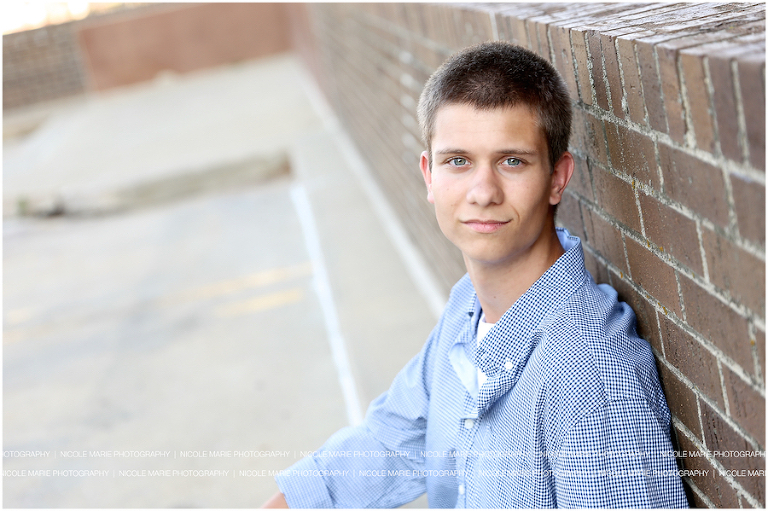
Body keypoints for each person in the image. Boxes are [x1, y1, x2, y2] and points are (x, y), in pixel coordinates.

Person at [263, 41, 688, 508]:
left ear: (556, 178)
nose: (483, 192)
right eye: (458, 161)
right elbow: (390, 444)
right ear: (430, 176)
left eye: (512, 161)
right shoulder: (468, 309)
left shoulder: (590, 377)